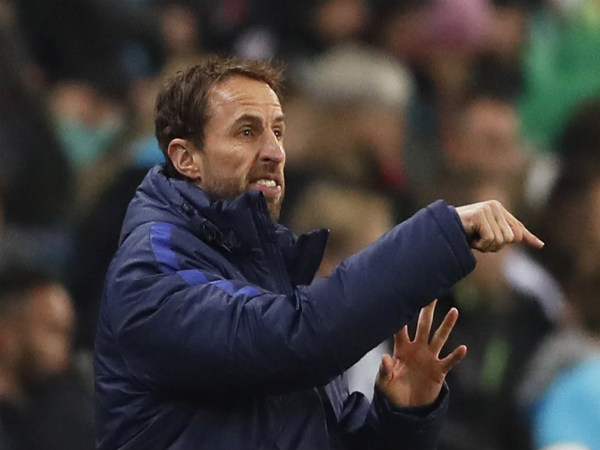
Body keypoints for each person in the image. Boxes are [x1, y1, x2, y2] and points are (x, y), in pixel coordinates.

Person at [94, 55, 544, 450]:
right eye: (247, 132)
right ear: (186, 158)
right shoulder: (152, 269)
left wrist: (402, 414)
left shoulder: (267, 271)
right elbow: (295, 339)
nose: (274, 152)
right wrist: (440, 233)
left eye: (278, 132)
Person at [0, 264, 94, 450]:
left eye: (68, 335)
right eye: (54, 331)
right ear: (8, 333)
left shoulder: (61, 405)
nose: (66, 352)